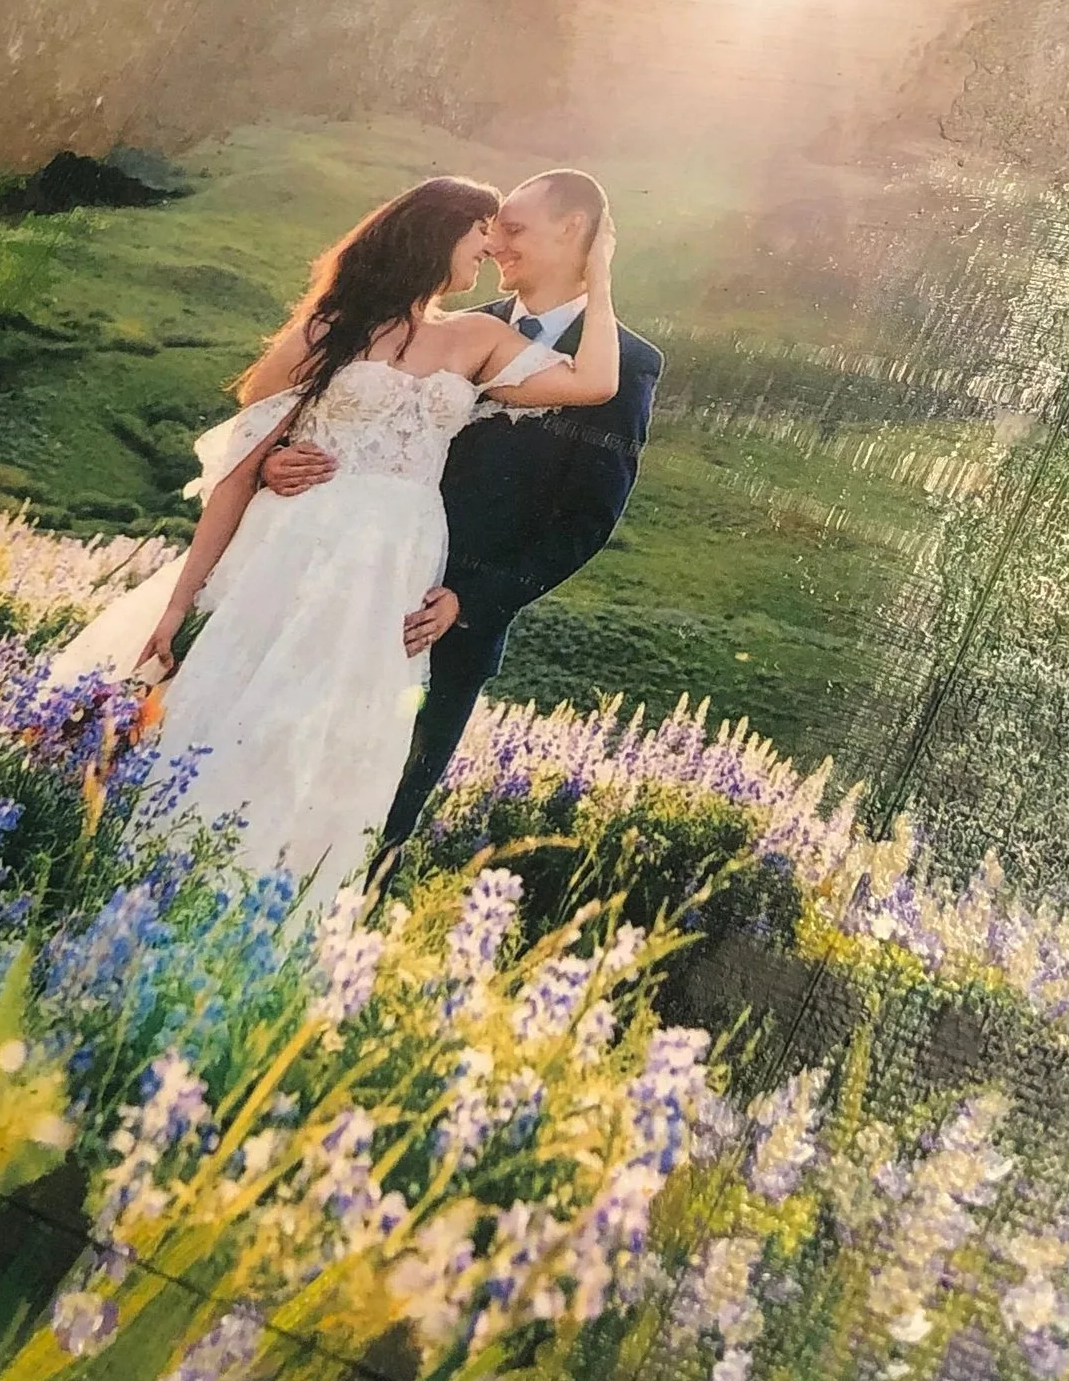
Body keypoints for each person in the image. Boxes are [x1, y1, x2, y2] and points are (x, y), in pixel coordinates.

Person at [53, 175, 621, 910]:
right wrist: (182, 594)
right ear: (434, 231)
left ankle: (275, 911)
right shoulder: (331, 329)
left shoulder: (476, 338)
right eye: (480, 229)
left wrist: (600, 272)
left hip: (390, 569)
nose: (490, 245)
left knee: (333, 739)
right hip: (293, 550)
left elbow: (597, 381)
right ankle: (145, 890)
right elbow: (236, 468)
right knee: (234, 712)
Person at [258, 169, 662, 858]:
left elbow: (587, 520)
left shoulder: (626, 362)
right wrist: (276, 459)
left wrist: (470, 600)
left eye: (514, 228)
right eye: (493, 228)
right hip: (340, 589)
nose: (494, 242)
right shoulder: (453, 328)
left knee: (375, 824)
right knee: (271, 771)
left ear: (573, 231)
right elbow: (346, 413)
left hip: (446, 627)